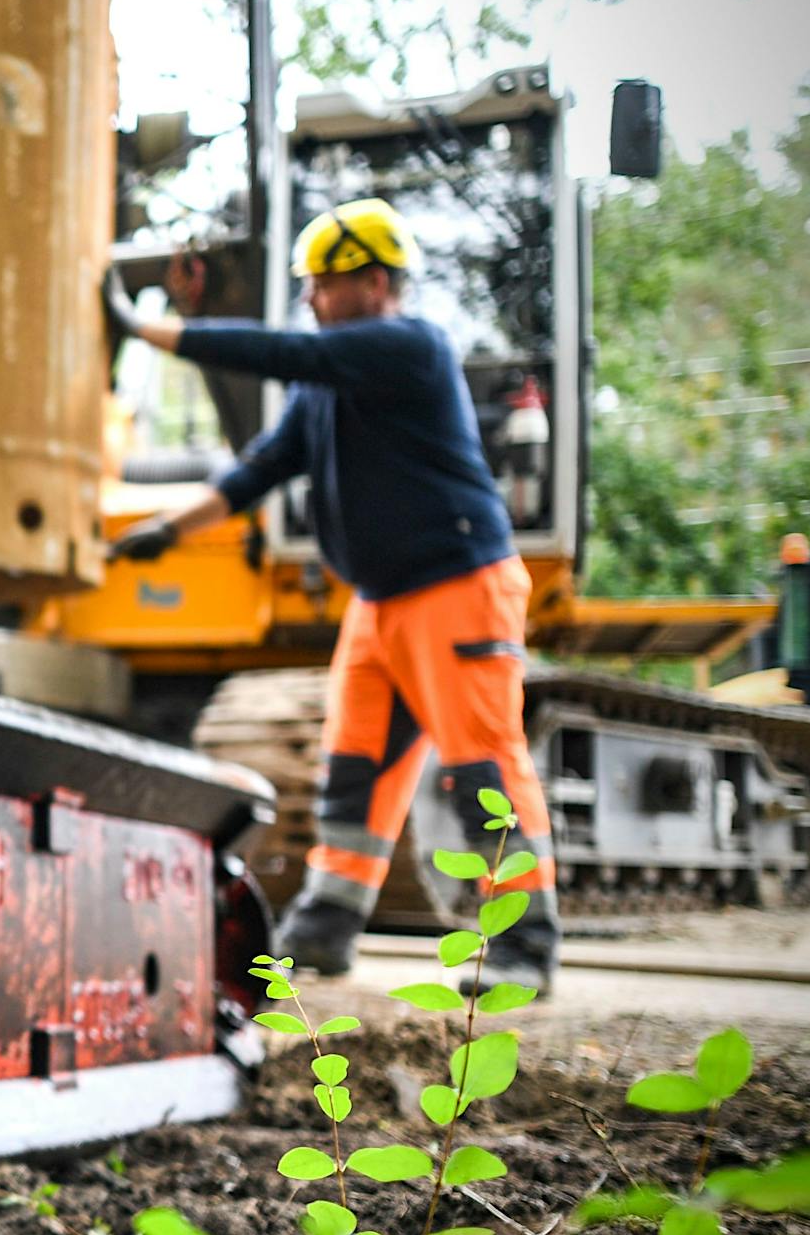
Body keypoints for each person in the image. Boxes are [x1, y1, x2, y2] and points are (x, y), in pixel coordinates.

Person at [102, 198, 559, 992]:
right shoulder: (325, 390)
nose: (311, 297)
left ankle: (522, 948)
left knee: (483, 767)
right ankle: (324, 929)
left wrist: (145, 329)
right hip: (379, 605)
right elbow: (258, 472)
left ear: (376, 283)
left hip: (460, 587)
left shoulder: (408, 347)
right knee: (353, 771)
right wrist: (169, 532)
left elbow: (278, 352)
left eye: (324, 283)